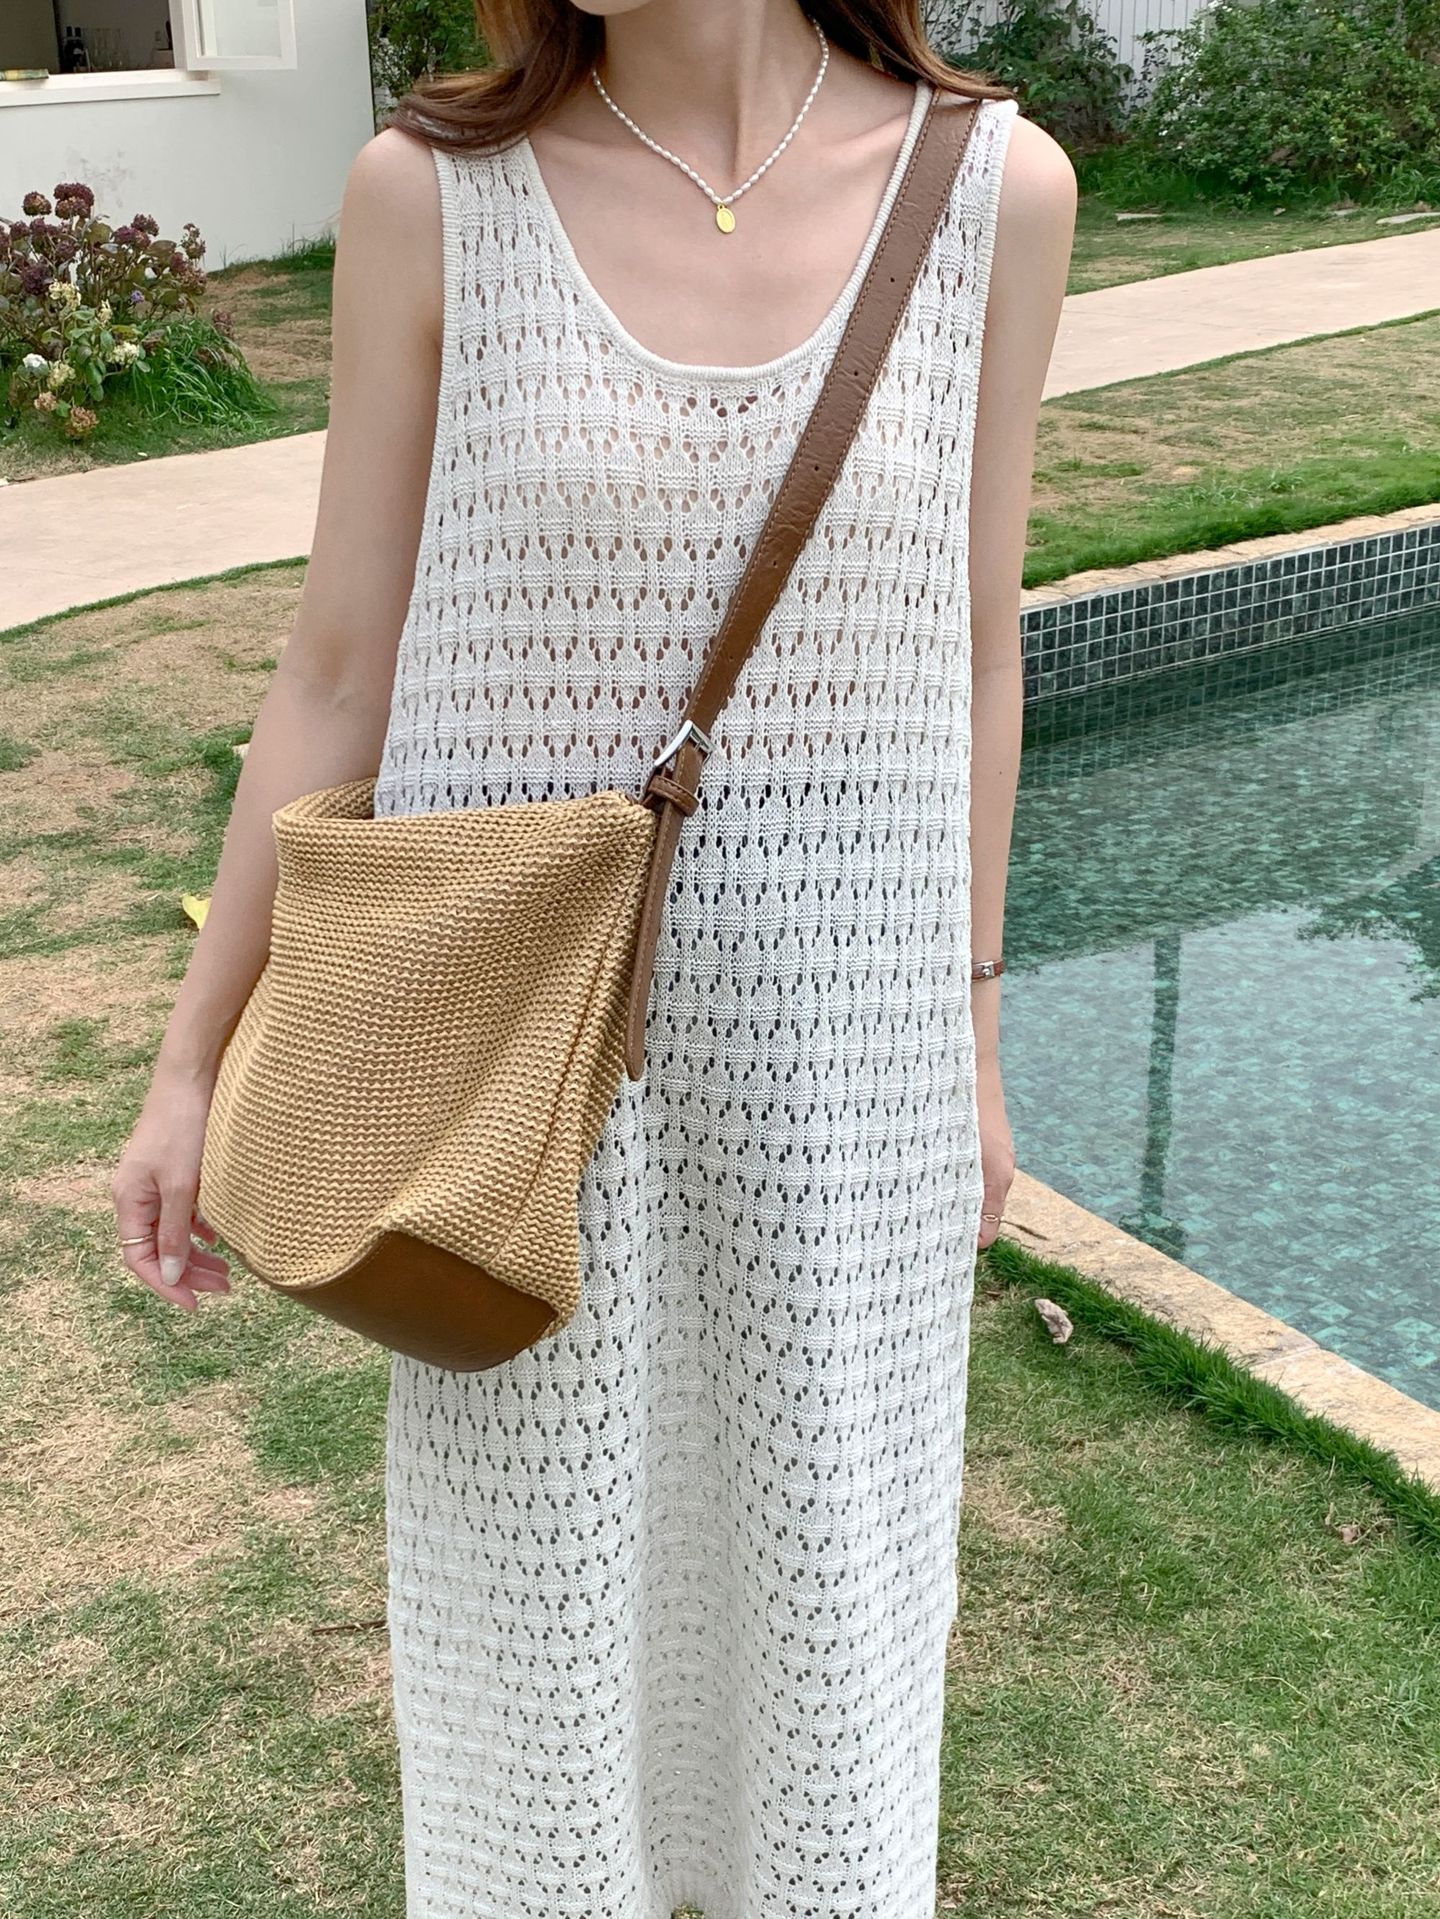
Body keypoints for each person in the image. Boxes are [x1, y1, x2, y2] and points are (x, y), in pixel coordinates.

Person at [111, 2, 1075, 1912]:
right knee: (538, 1657)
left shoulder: (995, 194)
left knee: (828, 1635)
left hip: (842, 1086)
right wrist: (193, 1059)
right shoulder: (432, 195)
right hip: (514, 1096)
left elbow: (980, 651)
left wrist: (969, 1044)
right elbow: (337, 670)